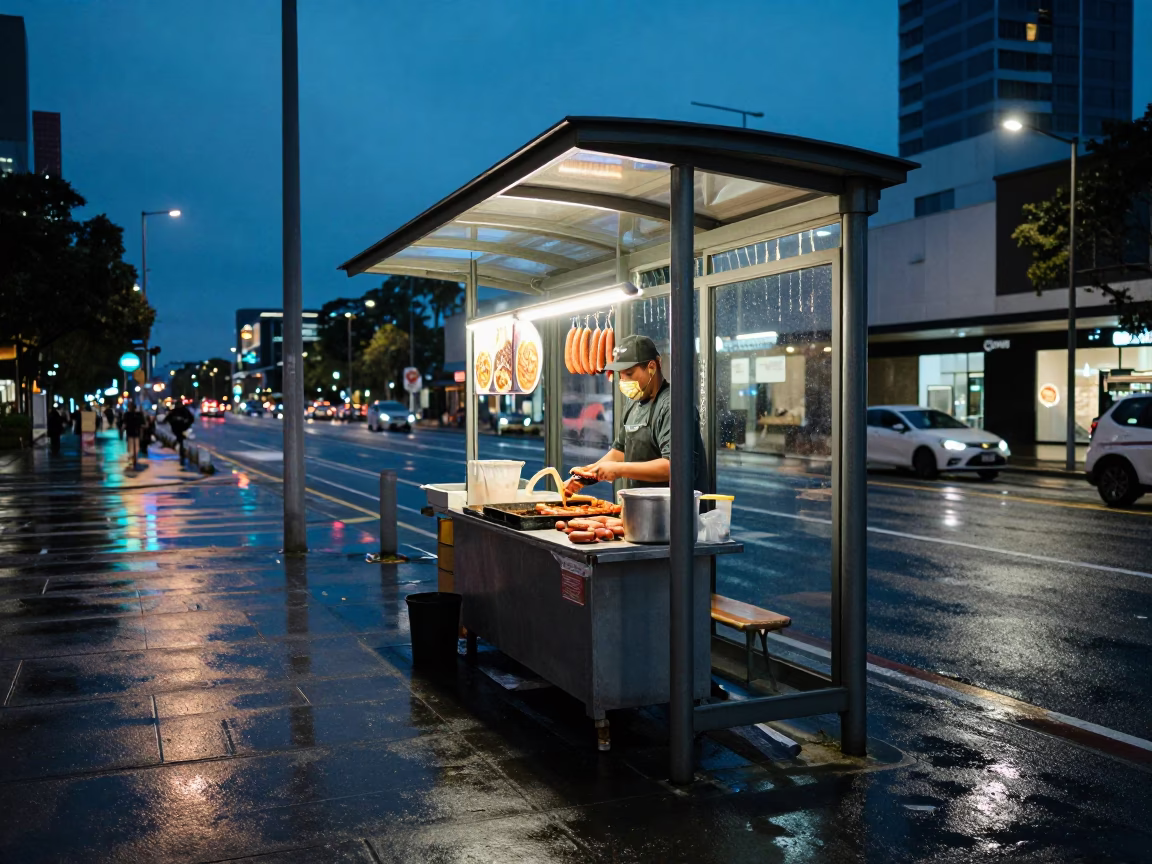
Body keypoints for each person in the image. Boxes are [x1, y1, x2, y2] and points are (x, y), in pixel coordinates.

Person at [565, 334, 709, 496]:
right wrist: (586, 475)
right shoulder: (633, 404)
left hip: (675, 512)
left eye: (629, 373)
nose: (624, 381)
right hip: (642, 508)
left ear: (652, 367)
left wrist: (619, 470)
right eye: (620, 374)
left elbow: (674, 467)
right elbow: (620, 452)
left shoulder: (674, 405)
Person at [166, 400, 195, 464]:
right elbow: (167, 418)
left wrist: (187, 423)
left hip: (182, 429)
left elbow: (191, 419)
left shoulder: (184, 411)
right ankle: (181, 453)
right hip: (177, 429)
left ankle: (182, 454)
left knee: (181, 441)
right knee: (180, 441)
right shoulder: (175, 411)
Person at [122, 401, 144, 468]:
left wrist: (122, 429)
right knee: (135, 447)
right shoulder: (138, 414)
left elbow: (124, 424)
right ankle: (134, 459)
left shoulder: (127, 414)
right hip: (134, 433)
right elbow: (142, 424)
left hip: (131, 433)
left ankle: (133, 459)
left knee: (132, 447)